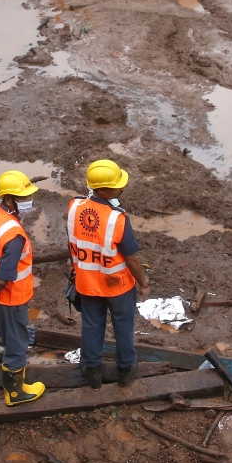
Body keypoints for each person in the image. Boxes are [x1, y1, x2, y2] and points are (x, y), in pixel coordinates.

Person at [67, 159, 150, 390]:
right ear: (103, 190)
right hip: (117, 286)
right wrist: (143, 283)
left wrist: (74, 265)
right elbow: (131, 258)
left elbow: (73, 241)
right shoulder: (118, 218)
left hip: (87, 282)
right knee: (123, 325)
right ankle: (125, 370)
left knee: (92, 325)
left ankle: (91, 371)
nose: (122, 189)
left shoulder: (74, 208)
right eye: (117, 186)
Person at [0, 170, 45, 406]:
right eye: (23, 198)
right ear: (8, 199)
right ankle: (15, 393)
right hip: (10, 297)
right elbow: (5, 278)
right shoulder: (14, 235)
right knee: (16, 344)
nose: (28, 202)